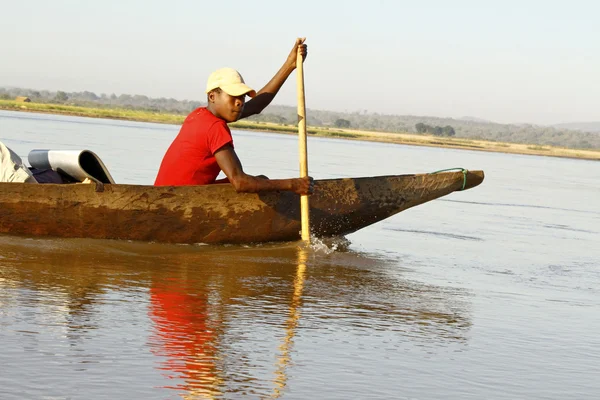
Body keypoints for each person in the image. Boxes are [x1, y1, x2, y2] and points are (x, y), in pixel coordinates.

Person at [154, 38, 313, 195]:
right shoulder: (214, 127)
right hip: (178, 199)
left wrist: (290, 65)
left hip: (168, 193)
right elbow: (240, 182)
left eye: (242, 97)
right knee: (257, 185)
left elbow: (256, 106)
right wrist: (293, 184)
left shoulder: (198, 115)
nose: (239, 102)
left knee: (262, 180)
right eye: (233, 96)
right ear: (212, 96)